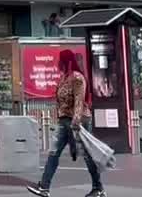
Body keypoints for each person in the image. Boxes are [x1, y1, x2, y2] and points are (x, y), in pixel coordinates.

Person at [26, 49, 102, 197]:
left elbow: (80, 101)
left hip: (78, 122)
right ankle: (44, 187)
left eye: (60, 60)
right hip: (64, 121)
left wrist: (76, 121)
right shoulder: (64, 78)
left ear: (66, 61)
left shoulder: (77, 78)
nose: (57, 63)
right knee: (53, 153)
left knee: (88, 156)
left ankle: (98, 188)